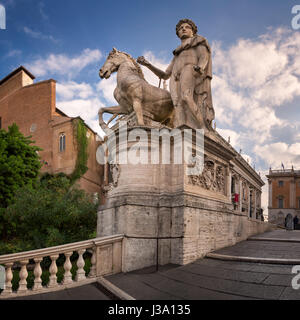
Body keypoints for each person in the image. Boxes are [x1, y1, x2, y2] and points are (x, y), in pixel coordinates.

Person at [137, 19, 214, 129]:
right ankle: (181, 129)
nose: (183, 29)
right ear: (178, 33)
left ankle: (203, 128)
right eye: (180, 28)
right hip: (174, 77)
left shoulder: (198, 41)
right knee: (177, 104)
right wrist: (148, 64)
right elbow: (164, 75)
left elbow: (204, 56)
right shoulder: (177, 54)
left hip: (190, 69)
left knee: (186, 97)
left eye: (187, 27)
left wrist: (200, 67)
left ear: (193, 31)